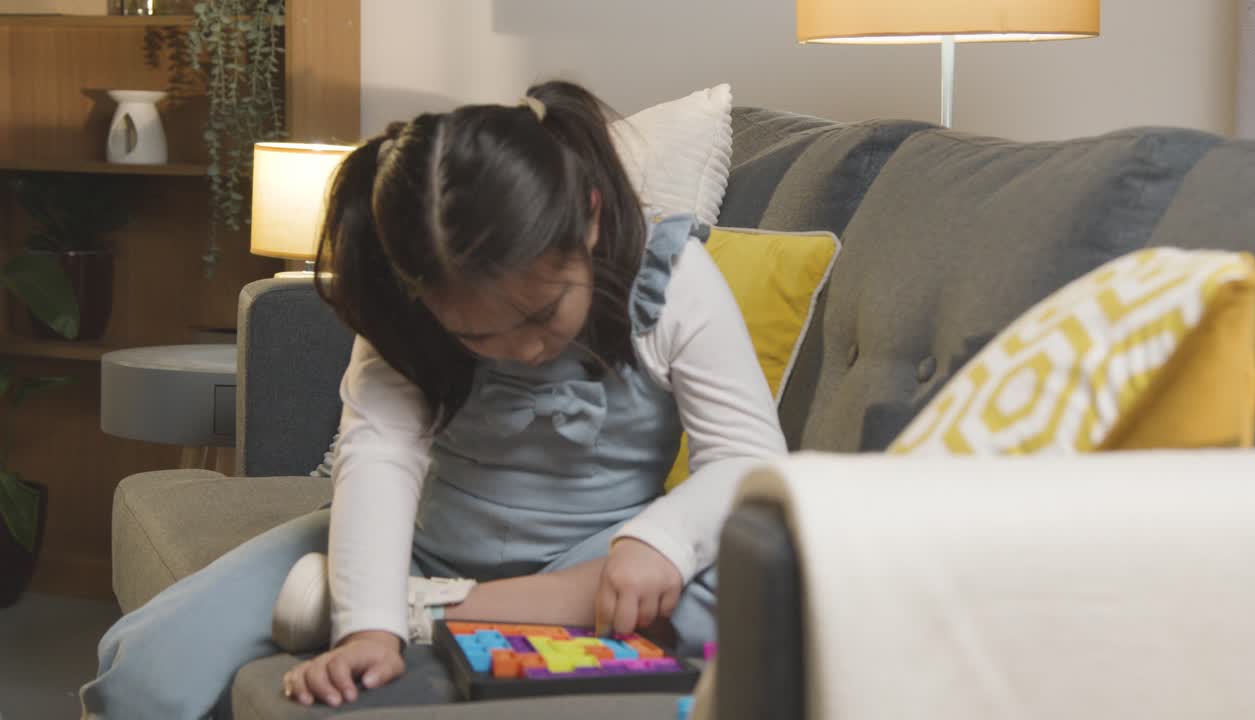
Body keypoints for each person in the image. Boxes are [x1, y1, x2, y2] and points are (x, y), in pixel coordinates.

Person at [80, 81, 785, 718]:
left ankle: (421, 611)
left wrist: (659, 542)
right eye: (481, 334)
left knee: (758, 587)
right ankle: (411, 600)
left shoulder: (670, 277)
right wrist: (367, 626)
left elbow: (749, 458)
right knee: (154, 665)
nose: (526, 349)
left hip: (597, 558)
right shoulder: (403, 305)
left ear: (591, 220)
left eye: (542, 317)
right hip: (430, 547)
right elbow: (378, 456)